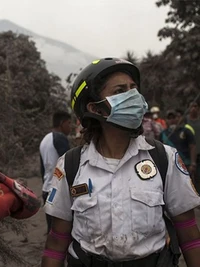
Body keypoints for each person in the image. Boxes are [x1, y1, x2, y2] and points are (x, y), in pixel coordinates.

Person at [41, 58, 200, 267]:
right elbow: (56, 243)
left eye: (133, 88)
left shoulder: (164, 158)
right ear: (95, 109)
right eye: (120, 91)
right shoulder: (71, 165)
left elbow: (189, 233)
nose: (133, 95)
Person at [39, 111, 71, 233]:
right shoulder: (60, 138)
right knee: (62, 230)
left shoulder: (45, 140)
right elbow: (69, 163)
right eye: (69, 123)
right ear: (62, 123)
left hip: (47, 190)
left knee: (52, 229)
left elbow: (42, 169)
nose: (70, 126)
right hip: (58, 191)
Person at [159, 109, 196, 178]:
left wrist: (193, 163)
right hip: (170, 165)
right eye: (169, 118)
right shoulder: (163, 134)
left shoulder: (186, 131)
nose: (172, 120)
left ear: (178, 118)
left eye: (174, 117)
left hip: (185, 163)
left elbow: (192, 146)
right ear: (166, 120)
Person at [187, 100, 200, 192]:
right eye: (192, 106)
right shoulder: (185, 120)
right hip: (189, 153)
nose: (194, 108)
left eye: (195, 106)